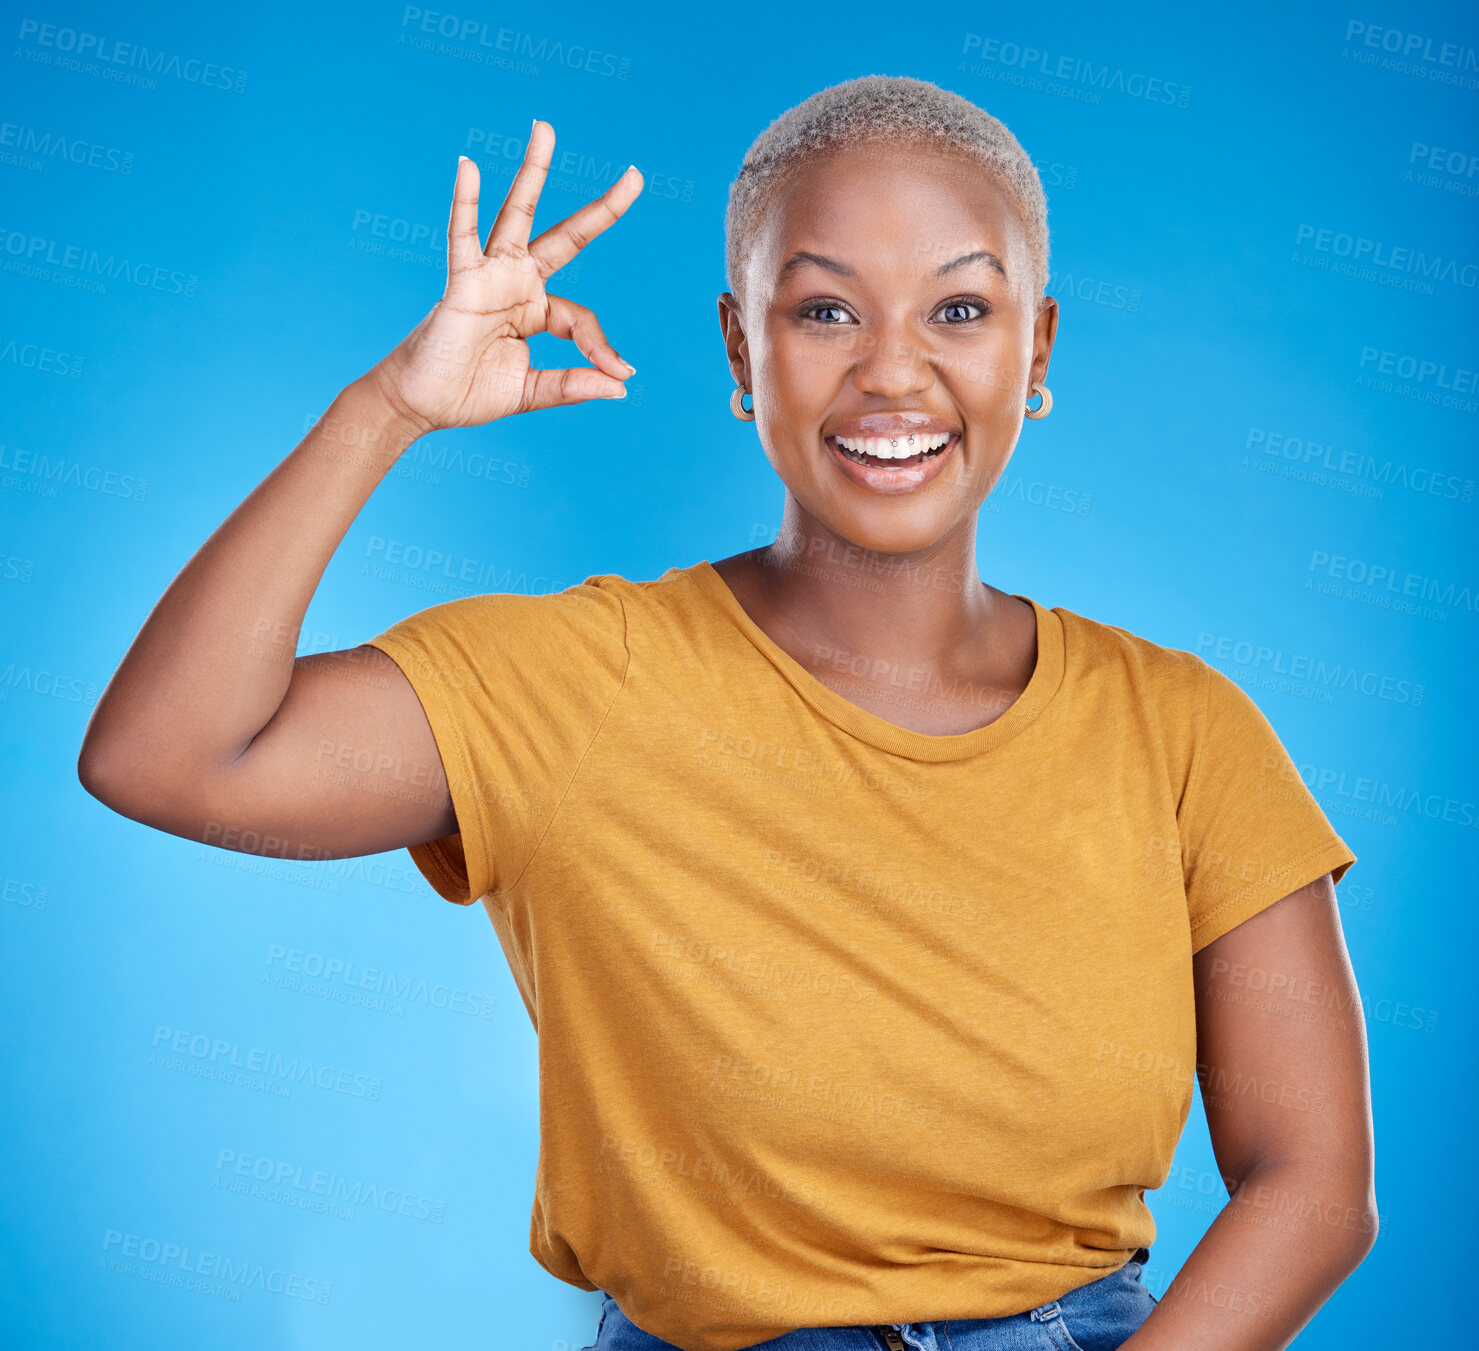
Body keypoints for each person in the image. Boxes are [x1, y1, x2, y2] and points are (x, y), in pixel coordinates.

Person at [77, 75, 1377, 1351]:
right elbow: (171, 755)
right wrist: (388, 410)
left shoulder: (1183, 731)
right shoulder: (579, 684)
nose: (893, 375)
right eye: (824, 312)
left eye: (960, 309)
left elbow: (1314, 1184)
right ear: (741, 350)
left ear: (1035, 349)